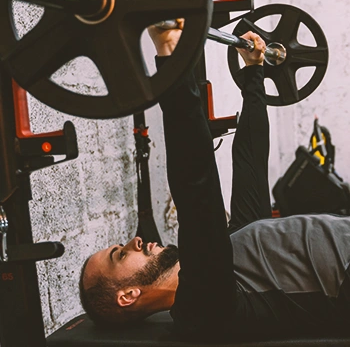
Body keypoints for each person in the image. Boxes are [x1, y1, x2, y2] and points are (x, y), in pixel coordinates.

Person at [79, 21, 350, 338]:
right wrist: (170, 52)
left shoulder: (234, 252)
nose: (134, 241)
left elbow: (250, 164)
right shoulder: (202, 308)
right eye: (121, 255)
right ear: (127, 296)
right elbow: (196, 187)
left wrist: (254, 72)